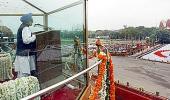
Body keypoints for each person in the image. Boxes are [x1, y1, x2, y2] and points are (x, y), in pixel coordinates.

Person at [14, 13, 36, 78]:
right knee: (24, 72)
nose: (32, 21)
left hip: (21, 52)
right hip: (23, 53)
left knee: (21, 71)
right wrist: (34, 37)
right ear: (27, 21)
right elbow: (26, 40)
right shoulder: (25, 28)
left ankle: (20, 84)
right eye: (31, 20)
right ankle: (23, 86)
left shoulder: (22, 26)